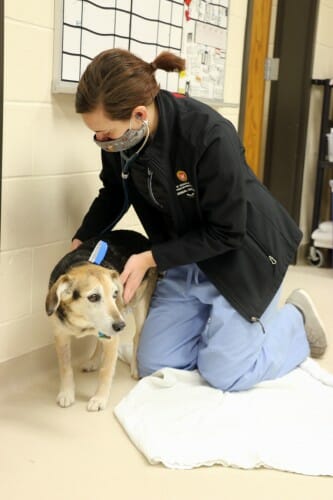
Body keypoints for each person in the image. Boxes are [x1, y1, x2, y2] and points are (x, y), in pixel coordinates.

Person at [72, 48, 327, 391]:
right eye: (96, 134)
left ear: (139, 115)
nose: (101, 142)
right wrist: (82, 240)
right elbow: (114, 193)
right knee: (155, 365)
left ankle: (295, 319)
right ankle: (227, 332)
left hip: (243, 256)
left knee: (227, 375)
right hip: (186, 254)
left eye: (106, 133)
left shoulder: (209, 135)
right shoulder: (120, 143)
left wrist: (150, 258)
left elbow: (228, 231)